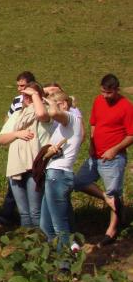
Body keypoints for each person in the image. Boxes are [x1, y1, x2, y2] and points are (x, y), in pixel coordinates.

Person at [73, 74, 133, 245]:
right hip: (95, 154)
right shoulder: (98, 101)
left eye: (108, 93)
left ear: (116, 90)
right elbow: (93, 123)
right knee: (79, 181)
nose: (105, 96)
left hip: (113, 158)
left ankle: (112, 230)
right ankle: (106, 198)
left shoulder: (126, 107)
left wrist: (114, 150)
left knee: (115, 191)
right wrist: (92, 144)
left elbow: (131, 134)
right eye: (103, 92)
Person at [0, 82, 54, 228]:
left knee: (35, 211)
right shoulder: (17, 115)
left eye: (30, 95)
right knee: (24, 213)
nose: (26, 97)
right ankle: (28, 245)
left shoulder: (46, 112)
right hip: (16, 166)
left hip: (34, 166)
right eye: (24, 95)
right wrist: (17, 134)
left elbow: (41, 114)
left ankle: (42, 243)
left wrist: (35, 95)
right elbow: (1, 139)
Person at [39, 90, 83, 252]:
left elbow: (54, 113)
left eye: (52, 104)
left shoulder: (72, 118)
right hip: (54, 175)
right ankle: (69, 249)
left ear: (63, 104)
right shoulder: (65, 126)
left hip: (59, 176)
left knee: (59, 226)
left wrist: (50, 104)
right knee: (46, 224)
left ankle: (65, 264)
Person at [0, 71, 37, 226]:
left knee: (34, 209)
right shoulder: (17, 102)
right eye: (18, 86)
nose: (20, 89)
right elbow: (7, 122)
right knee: (22, 206)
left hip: (32, 158)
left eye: (23, 86)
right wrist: (16, 133)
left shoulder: (39, 103)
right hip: (17, 157)